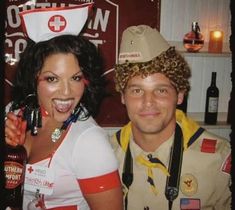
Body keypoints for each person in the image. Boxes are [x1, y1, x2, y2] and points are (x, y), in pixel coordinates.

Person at [4, 4, 123, 210]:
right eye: (52, 79)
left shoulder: (89, 142)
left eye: (76, 78)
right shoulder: (14, 114)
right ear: (34, 79)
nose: (67, 93)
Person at [110, 25, 231, 210]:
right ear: (122, 97)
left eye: (161, 90)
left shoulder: (219, 157)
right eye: (136, 90)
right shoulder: (105, 156)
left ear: (180, 95)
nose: (148, 102)